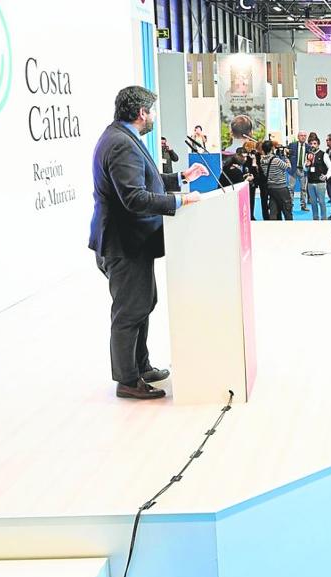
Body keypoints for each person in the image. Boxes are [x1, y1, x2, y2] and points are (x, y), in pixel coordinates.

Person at [88, 86, 207, 400]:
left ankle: (141, 366)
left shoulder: (122, 138)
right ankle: (127, 379)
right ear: (142, 113)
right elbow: (134, 197)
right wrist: (179, 201)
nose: (153, 116)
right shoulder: (120, 144)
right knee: (129, 311)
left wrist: (182, 177)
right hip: (123, 243)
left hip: (133, 243)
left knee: (144, 304)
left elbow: (146, 180)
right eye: (151, 111)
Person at [260, 140, 293, 221]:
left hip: (271, 188)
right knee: (287, 210)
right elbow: (288, 168)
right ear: (272, 148)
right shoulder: (276, 160)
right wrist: (286, 157)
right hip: (281, 187)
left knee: (273, 210)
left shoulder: (262, 161)